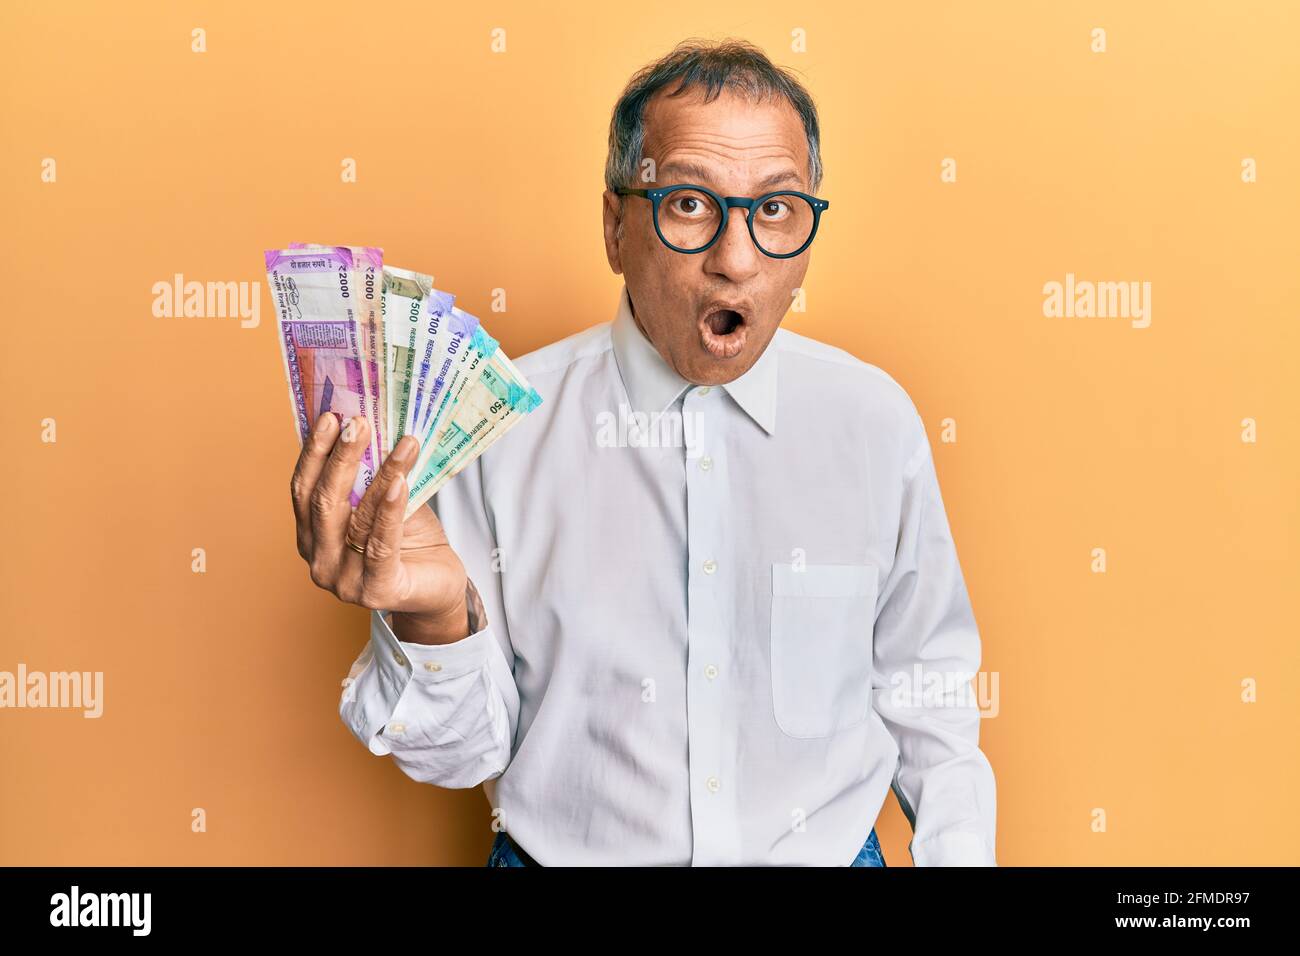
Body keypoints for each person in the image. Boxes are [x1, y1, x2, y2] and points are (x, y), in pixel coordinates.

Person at [291, 38, 996, 866]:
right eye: (690, 203)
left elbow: (932, 700)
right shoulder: (497, 427)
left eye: (775, 210)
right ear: (615, 228)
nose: (736, 262)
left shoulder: (873, 423)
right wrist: (434, 620)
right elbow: (461, 756)